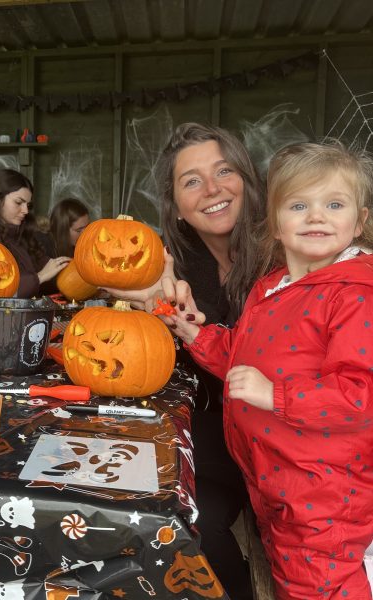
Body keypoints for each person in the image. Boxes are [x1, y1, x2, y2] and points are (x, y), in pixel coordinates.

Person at [171, 140, 373, 600]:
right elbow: (246, 358)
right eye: (299, 205)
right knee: (286, 574)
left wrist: (277, 395)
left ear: (359, 221)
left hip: (325, 490)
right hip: (275, 477)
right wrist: (195, 336)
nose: (316, 216)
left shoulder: (354, 294)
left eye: (334, 204)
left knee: (318, 585)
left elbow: (362, 394)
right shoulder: (275, 286)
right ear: (276, 225)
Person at [104, 122, 264, 600]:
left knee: (202, 524)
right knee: (161, 509)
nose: (212, 190)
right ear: (175, 204)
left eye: (224, 171)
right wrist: (156, 306)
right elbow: (148, 357)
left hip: (280, 436)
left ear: (247, 180)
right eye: (192, 180)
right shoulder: (175, 263)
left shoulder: (287, 251)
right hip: (212, 435)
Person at [0, 169, 70, 298]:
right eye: (18, 202)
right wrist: (39, 277)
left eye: (28, 205)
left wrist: (81, 276)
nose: (26, 210)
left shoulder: (22, 234)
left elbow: (50, 269)